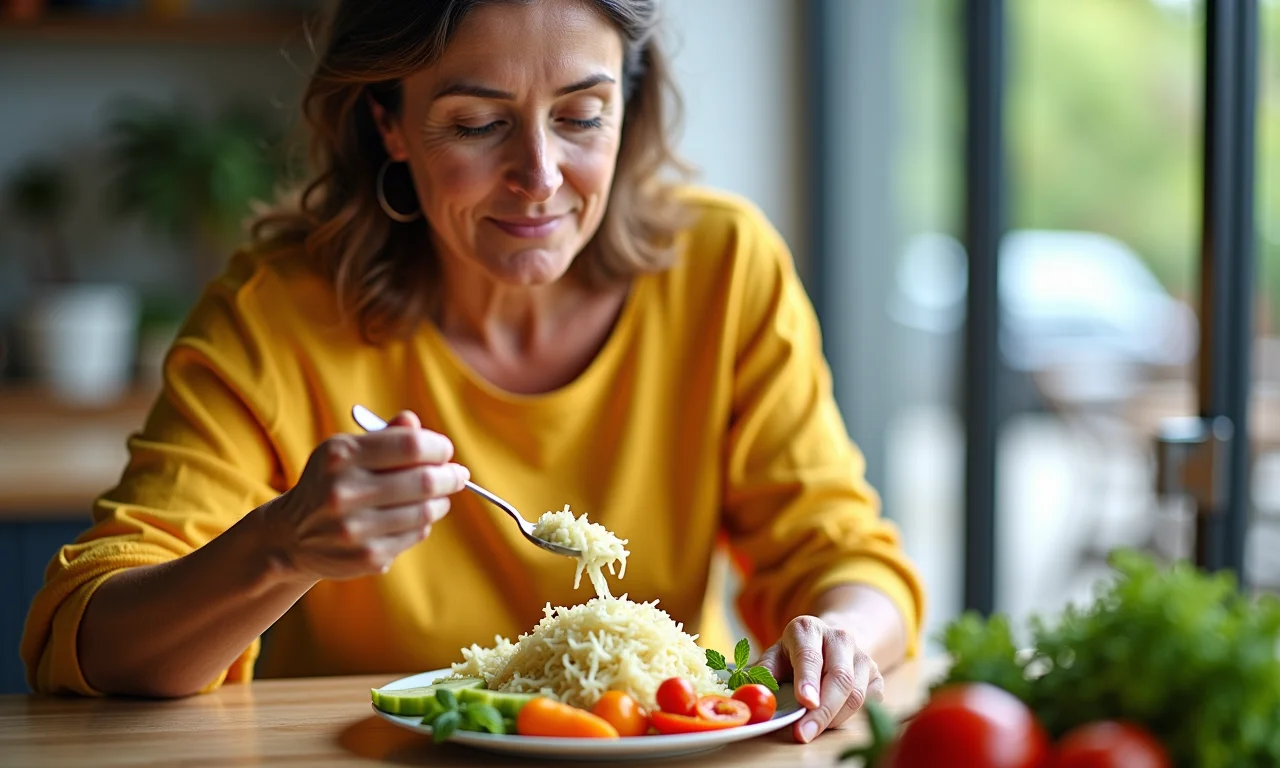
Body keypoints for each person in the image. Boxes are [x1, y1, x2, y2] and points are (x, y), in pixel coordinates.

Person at [21, 0, 925, 744]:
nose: (539, 176)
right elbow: (88, 635)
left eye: (581, 115)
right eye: (478, 123)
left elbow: (844, 556)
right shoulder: (275, 317)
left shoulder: (724, 268)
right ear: (391, 126)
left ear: (628, 106)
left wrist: (839, 636)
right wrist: (279, 545)